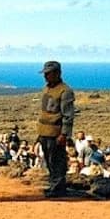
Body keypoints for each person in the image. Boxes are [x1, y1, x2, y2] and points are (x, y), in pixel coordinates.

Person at [36, 61, 75, 197]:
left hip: (55, 133)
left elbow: (68, 115)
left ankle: (58, 188)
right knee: (49, 160)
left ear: (57, 73)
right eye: (45, 74)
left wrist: (64, 134)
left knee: (57, 160)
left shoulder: (65, 91)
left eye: (48, 74)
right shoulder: (47, 88)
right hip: (44, 131)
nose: (45, 76)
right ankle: (53, 185)